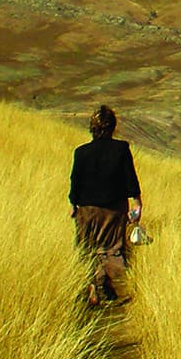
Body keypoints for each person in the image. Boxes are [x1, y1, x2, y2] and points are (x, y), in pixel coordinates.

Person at [69, 105, 143, 307]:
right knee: (110, 248)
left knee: (87, 247)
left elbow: (75, 180)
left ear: (92, 128)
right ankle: (103, 284)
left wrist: (73, 204)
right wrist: (136, 202)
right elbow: (130, 178)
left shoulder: (81, 152)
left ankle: (92, 285)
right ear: (113, 127)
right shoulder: (121, 149)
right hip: (113, 208)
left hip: (86, 208)